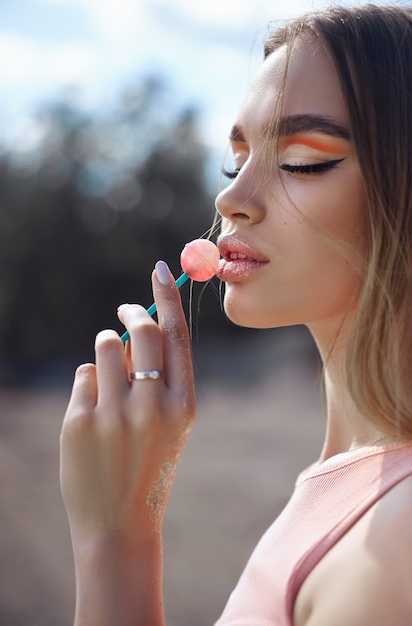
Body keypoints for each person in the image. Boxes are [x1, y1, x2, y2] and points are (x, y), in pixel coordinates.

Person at [60, 4, 412, 625]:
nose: (230, 198)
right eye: (236, 160)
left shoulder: (395, 543)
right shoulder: (348, 483)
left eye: (302, 160)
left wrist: (116, 540)